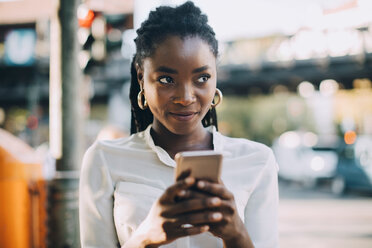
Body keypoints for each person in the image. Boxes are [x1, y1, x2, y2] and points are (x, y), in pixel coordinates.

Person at [79, 1, 279, 247]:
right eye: (166, 79)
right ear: (142, 77)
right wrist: (145, 237)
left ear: (215, 77)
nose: (185, 97)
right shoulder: (103, 160)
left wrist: (236, 234)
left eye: (202, 78)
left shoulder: (258, 161)